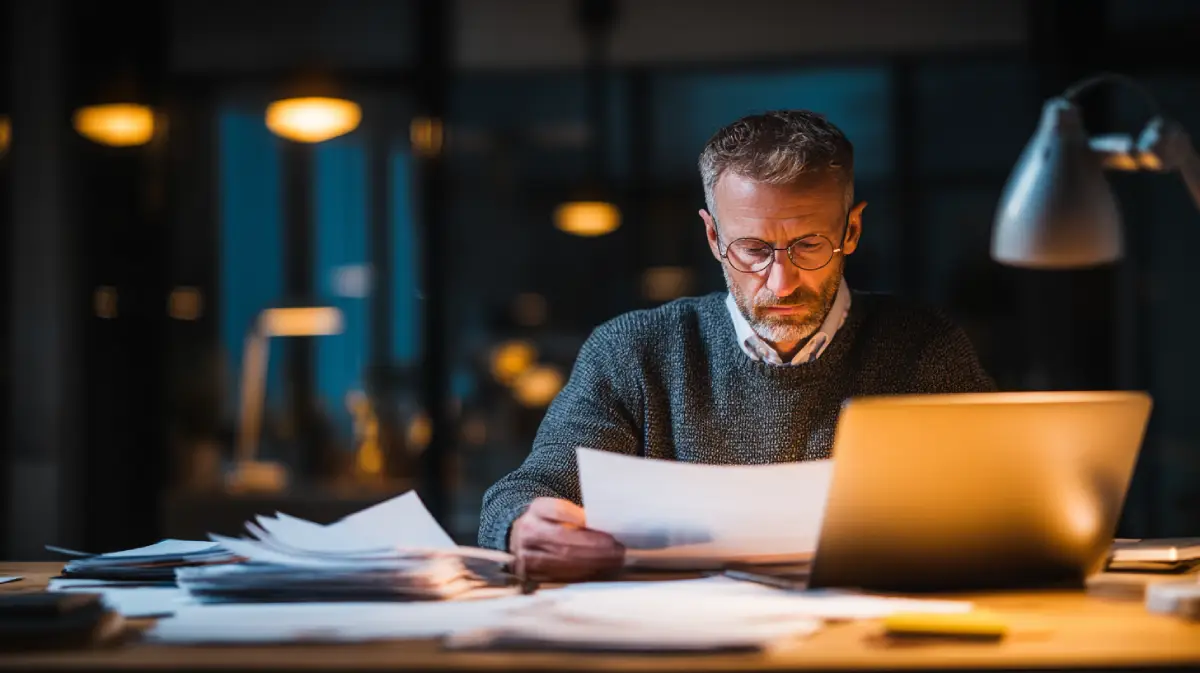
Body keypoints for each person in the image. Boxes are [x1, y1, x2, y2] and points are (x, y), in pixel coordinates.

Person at [478, 110, 995, 581]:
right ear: (712, 238)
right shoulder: (632, 350)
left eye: (809, 245)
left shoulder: (925, 346)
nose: (781, 283)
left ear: (852, 228)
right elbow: (529, 487)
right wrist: (523, 526)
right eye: (752, 249)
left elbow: (1001, 498)